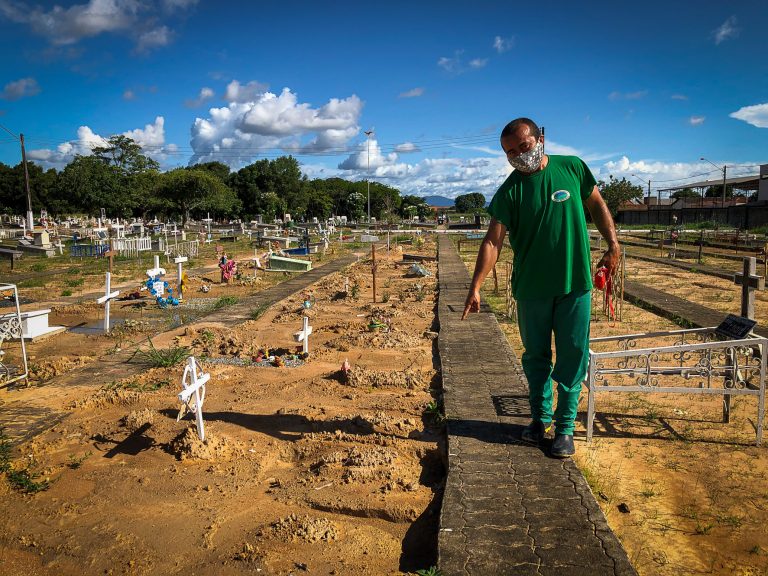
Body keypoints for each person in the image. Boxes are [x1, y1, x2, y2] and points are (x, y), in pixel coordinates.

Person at [461, 117, 619, 458]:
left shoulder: (573, 168)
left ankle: (564, 429)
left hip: (574, 284)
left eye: (523, 146)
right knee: (536, 358)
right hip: (532, 289)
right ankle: (539, 420)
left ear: (541, 138)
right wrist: (476, 286)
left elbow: (597, 204)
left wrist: (613, 244)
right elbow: (493, 241)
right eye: (510, 153)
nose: (519, 156)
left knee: (573, 356)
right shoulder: (510, 191)